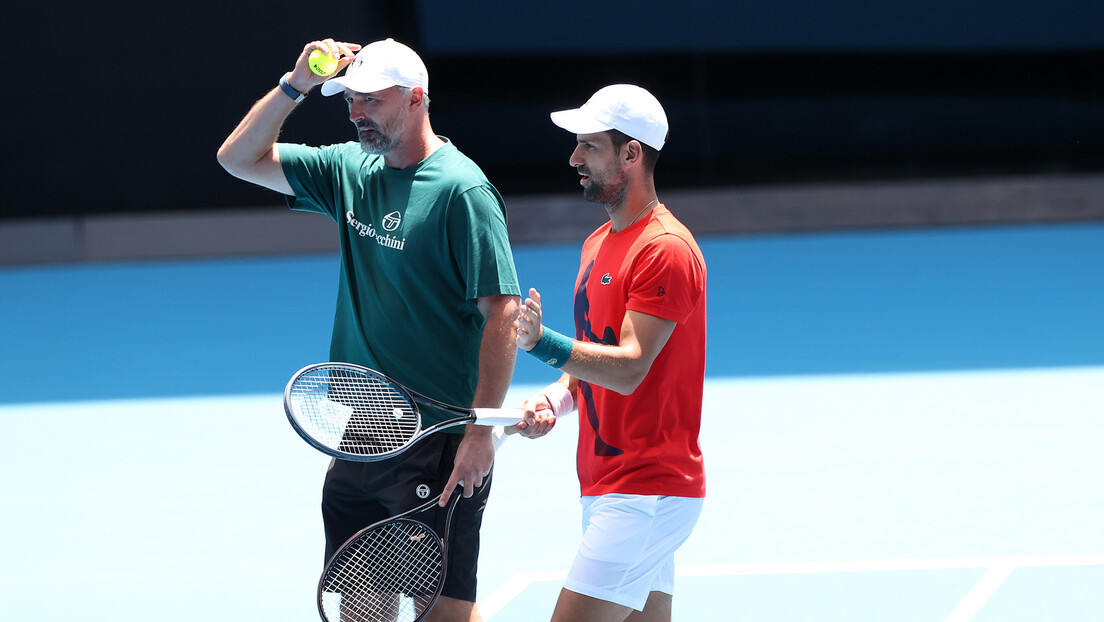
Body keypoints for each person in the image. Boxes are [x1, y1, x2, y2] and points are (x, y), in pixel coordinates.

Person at [217, 37, 521, 622]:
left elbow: (502, 313)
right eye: (349, 101)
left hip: (437, 435)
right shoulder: (348, 168)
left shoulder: (463, 191)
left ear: (415, 100)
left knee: (446, 611)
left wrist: (481, 430)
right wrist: (295, 85)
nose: (356, 116)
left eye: (371, 102)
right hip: (363, 430)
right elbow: (237, 158)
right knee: (360, 604)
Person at [514, 84, 707, 622]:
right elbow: (593, 364)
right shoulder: (597, 243)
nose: (574, 158)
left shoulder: (665, 249)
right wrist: (556, 401)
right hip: (608, 484)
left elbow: (629, 370)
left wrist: (541, 344)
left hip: (646, 491)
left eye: (590, 146)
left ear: (632, 153)